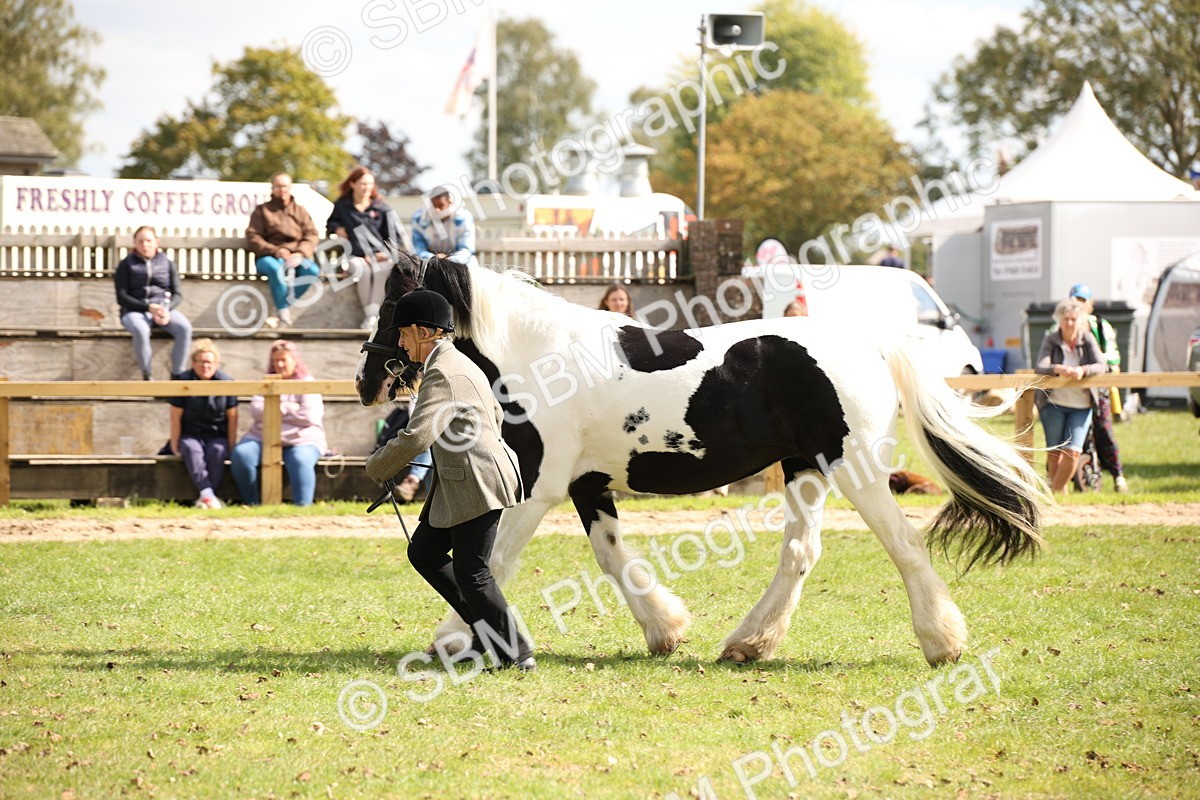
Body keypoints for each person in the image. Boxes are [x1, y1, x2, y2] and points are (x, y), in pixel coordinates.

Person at [366, 290, 533, 671]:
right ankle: (484, 634)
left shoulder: (444, 372)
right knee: (424, 552)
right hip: (467, 478)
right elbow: (494, 413)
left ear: (424, 332)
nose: (402, 344)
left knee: (472, 573)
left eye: (404, 335)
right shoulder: (457, 362)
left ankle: (517, 653)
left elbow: (416, 436)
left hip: (477, 480)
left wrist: (376, 467)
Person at [230, 339, 327, 506]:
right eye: (276, 360)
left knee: (300, 460)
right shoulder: (265, 382)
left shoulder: (307, 382)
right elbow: (257, 411)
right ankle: (252, 505)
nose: (280, 364)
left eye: (284, 360)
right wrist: (291, 408)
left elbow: (310, 415)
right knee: (241, 454)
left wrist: (276, 408)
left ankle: (303, 509)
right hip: (262, 436)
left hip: (302, 439)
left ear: (294, 361)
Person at [1035, 298, 1107, 494]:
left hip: (1081, 404)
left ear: (1080, 320)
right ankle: (1062, 494)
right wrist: (1058, 368)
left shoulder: (1087, 339)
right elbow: (1040, 365)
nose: (1069, 323)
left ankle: (1053, 494)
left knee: (1073, 451)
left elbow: (1102, 365)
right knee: (1054, 453)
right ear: (1059, 320)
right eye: (1066, 319)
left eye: (1073, 319)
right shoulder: (1051, 339)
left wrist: (1083, 370)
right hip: (1053, 404)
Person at [326, 166, 410, 330]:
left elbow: (395, 237)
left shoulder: (382, 207)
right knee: (362, 270)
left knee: (380, 271)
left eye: (370, 184)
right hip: (354, 257)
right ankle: (371, 317)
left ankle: (370, 318)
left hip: (380, 258)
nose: (367, 188)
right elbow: (330, 222)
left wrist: (384, 253)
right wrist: (337, 227)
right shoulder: (342, 205)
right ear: (352, 184)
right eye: (363, 184)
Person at [1068, 283, 1128, 493]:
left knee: (1103, 429)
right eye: (1075, 300)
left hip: (1097, 386)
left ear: (1090, 304)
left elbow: (1113, 355)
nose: (1079, 305)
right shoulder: (1062, 325)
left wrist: (1095, 363)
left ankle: (1118, 476)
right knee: (1067, 433)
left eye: (1083, 301)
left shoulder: (1101, 326)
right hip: (1069, 390)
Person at [114, 226, 194, 380]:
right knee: (141, 330)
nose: (145, 245)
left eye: (148, 240)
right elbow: (121, 297)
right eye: (141, 241)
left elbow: (177, 294)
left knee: (184, 328)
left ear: (156, 242)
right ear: (135, 243)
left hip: (162, 309)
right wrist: (147, 307)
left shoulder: (168, 263)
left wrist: (166, 309)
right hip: (134, 311)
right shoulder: (126, 264)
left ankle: (178, 374)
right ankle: (147, 374)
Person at [246, 173, 321, 328]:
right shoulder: (262, 211)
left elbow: (311, 234)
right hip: (269, 257)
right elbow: (253, 236)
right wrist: (275, 251)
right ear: (272, 188)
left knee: (312, 271)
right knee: (275, 268)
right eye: (278, 186)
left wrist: (300, 253)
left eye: (285, 186)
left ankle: (280, 306)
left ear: (290, 187)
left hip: (296, 256)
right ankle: (283, 311)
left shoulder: (300, 211)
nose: (282, 189)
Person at [170, 339, 239, 509]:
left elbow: (233, 418)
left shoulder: (227, 382)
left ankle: (206, 496)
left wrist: (231, 445)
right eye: (200, 362)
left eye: (208, 362)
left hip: (217, 434)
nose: (204, 366)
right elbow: (175, 416)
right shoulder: (182, 381)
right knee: (192, 450)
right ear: (193, 363)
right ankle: (209, 495)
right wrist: (174, 444)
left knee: (217, 450)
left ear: (216, 364)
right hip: (190, 433)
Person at [411, 186, 477, 266]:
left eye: (441, 206)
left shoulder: (463, 218)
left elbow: (466, 250)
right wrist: (434, 258)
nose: (437, 209)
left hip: (458, 262)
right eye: (433, 206)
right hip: (429, 262)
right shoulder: (419, 219)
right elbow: (418, 249)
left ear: (450, 203)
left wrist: (450, 260)